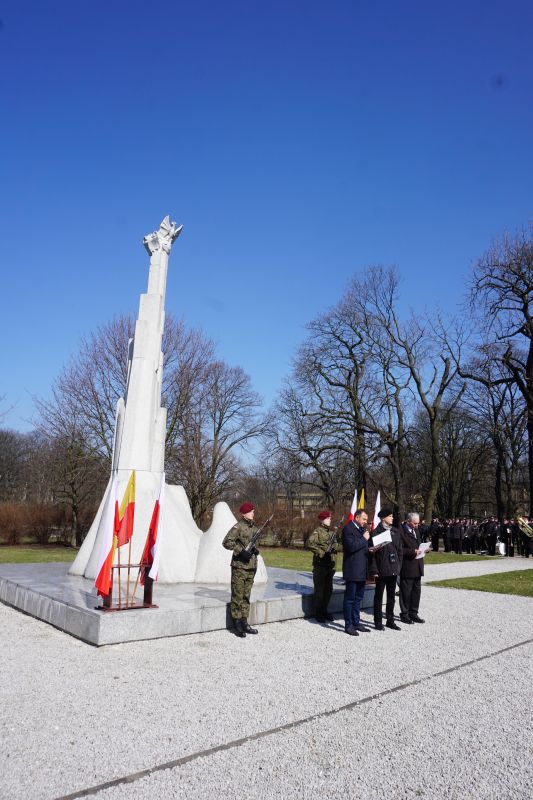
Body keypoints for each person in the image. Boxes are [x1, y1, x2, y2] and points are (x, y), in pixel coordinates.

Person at [222, 501, 260, 638]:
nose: (253, 513)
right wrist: (241, 551)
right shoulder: (237, 527)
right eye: (251, 511)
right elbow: (226, 542)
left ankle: (244, 622)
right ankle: (237, 623)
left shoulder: (255, 528)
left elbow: (255, 544)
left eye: (253, 511)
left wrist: (255, 550)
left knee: (246, 596)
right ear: (244, 513)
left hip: (251, 566)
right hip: (239, 567)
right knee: (237, 595)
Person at [371, 507, 403, 631]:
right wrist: (374, 570)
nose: (392, 518)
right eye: (390, 516)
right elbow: (372, 555)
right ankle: (378, 622)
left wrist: (398, 565)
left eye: (392, 516)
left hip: (393, 569)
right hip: (381, 570)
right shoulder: (376, 532)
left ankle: (390, 620)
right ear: (383, 518)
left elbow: (399, 550)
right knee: (378, 597)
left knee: (391, 597)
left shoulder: (395, 531)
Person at [342, 508, 371, 636]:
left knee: (358, 598)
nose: (365, 522)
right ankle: (348, 625)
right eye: (364, 519)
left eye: (366, 519)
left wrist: (371, 549)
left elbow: (362, 547)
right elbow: (351, 547)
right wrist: (364, 539)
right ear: (357, 517)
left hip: (362, 570)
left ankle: (356, 622)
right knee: (350, 599)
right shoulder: (348, 529)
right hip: (353, 570)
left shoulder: (362, 530)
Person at [307, 510, 337, 622]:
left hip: (330, 565)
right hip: (320, 565)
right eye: (328, 518)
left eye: (330, 518)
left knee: (328, 590)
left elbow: (336, 546)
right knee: (319, 591)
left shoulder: (332, 533)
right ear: (322, 520)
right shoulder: (317, 532)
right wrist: (321, 552)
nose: (330, 520)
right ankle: (318, 613)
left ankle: (324, 610)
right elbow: (309, 544)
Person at [399, 511, 425, 624]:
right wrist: (412, 551)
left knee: (416, 591)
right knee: (406, 591)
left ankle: (413, 613)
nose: (417, 525)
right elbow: (399, 549)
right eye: (415, 523)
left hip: (418, 565)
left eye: (417, 523)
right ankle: (404, 614)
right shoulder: (401, 531)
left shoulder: (416, 530)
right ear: (408, 521)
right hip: (408, 566)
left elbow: (418, 544)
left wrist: (424, 549)